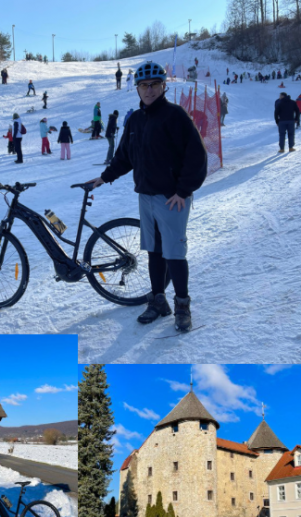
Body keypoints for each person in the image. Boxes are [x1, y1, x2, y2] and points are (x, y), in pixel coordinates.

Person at [85, 61, 207, 332]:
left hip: (171, 197)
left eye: (154, 85)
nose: (149, 90)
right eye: (143, 85)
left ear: (163, 86)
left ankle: (183, 306)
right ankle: (158, 300)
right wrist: (105, 177)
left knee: (174, 254)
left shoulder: (175, 116)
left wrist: (183, 191)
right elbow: (126, 155)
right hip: (146, 196)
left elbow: (196, 156)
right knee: (154, 252)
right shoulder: (135, 120)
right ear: (137, 89)